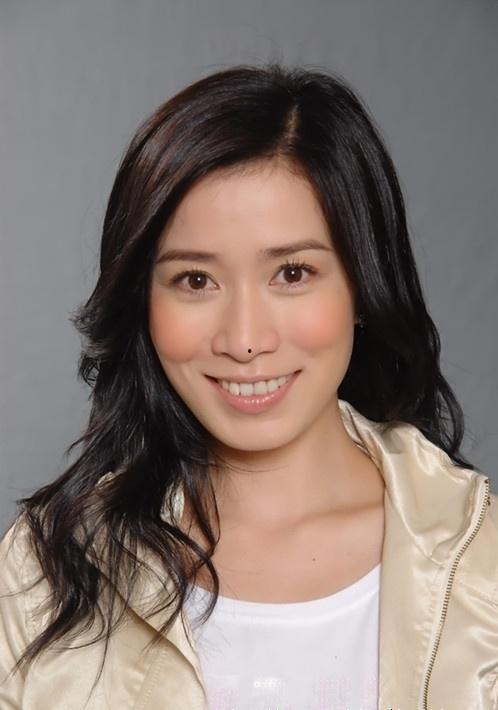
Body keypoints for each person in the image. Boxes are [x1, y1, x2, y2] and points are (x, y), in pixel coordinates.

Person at [0, 63, 497, 710]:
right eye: (195, 280)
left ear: (363, 286)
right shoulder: (44, 570)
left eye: (292, 273)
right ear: (143, 302)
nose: (243, 339)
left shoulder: (481, 563)